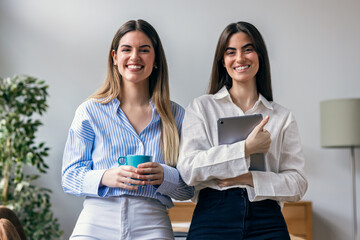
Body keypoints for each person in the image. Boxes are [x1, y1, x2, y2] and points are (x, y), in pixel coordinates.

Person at [62, 19, 193, 240]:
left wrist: (164, 175)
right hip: (96, 221)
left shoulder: (177, 116)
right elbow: (69, 177)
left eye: (144, 50)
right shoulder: (90, 111)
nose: (134, 57)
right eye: (126, 50)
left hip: (152, 222)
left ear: (156, 59)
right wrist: (105, 177)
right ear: (115, 58)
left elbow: (188, 189)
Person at [177, 21, 308, 239]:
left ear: (260, 56)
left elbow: (298, 184)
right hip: (213, 216)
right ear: (223, 61)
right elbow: (188, 169)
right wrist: (245, 149)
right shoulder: (201, 107)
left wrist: (250, 178)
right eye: (231, 52)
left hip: (267, 219)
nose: (240, 58)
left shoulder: (282, 117)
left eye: (248, 49)